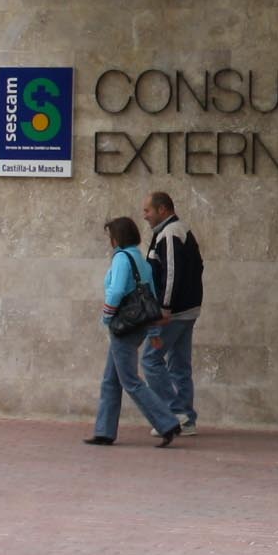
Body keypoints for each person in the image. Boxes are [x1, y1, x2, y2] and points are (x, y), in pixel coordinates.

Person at [89, 216, 179, 448]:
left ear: (116, 238)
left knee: (130, 381)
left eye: (111, 236)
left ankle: (167, 422)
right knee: (111, 378)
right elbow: (151, 298)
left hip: (123, 325)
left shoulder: (120, 258)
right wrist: (153, 332)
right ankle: (104, 431)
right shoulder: (140, 259)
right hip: (139, 325)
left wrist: (107, 317)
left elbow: (117, 290)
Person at [139, 190, 203, 433]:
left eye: (148, 210)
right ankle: (187, 418)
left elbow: (172, 272)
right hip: (186, 310)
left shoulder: (170, 233)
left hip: (174, 313)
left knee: (150, 359)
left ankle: (174, 412)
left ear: (162, 210)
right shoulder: (176, 231)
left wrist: (164, 308)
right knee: (179, 365)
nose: (145, 216)